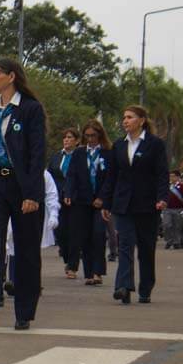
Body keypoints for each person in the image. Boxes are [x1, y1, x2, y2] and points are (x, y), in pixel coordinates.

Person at [0, 57, 47, 331]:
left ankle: (24, 311)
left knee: (25, 250)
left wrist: (33, 194)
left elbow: (37, 155)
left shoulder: (30, 109)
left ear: (11, 76)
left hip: (21, 186)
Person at [100, 105, 169, 305]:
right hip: (123, 204)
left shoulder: (155, 144)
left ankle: (145, 289)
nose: (125, 121)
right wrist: (106, 201)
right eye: (124, 117)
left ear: (141, 120)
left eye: (130, 117)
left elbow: (162, 173)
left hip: (148, 204)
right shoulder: (119, 146)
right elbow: (111, 176)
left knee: (146, 249)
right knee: (125, 245)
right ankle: (123, 287)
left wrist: (162, 197)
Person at [64, 119, 112, 286]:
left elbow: (110, 178)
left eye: (93, 135)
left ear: (99, 135)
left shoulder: (107, 152)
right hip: (81, 200)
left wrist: (103, 198)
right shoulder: (79, 153)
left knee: (98, 234)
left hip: (99, 201)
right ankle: (90, 273)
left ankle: (98, 271)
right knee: (84, 236)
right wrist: (68, 192)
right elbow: (71, 175)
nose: (90, 139)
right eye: (87, 136)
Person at [48, 128, 79, 277]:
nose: (67, 140)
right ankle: (66, 255)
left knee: (74, 231)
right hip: (58, 198)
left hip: (75, 199)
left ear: (77, 140)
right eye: (65, 138)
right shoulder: (56, 157)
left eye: (70, 137)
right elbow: (49, 177)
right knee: (60, 232)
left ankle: (72, 265)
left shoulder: (79, 156)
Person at [162, 170, 183, 249]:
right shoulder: (167, 186)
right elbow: (163, 196)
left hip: (178, 209)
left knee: (177, 227)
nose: (171, 178)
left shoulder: (182, 187)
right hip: (167, 209)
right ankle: (169, 240)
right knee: (167, 225)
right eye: (170, 176)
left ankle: (176, 242)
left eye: (173, 176)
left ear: (178, 177)